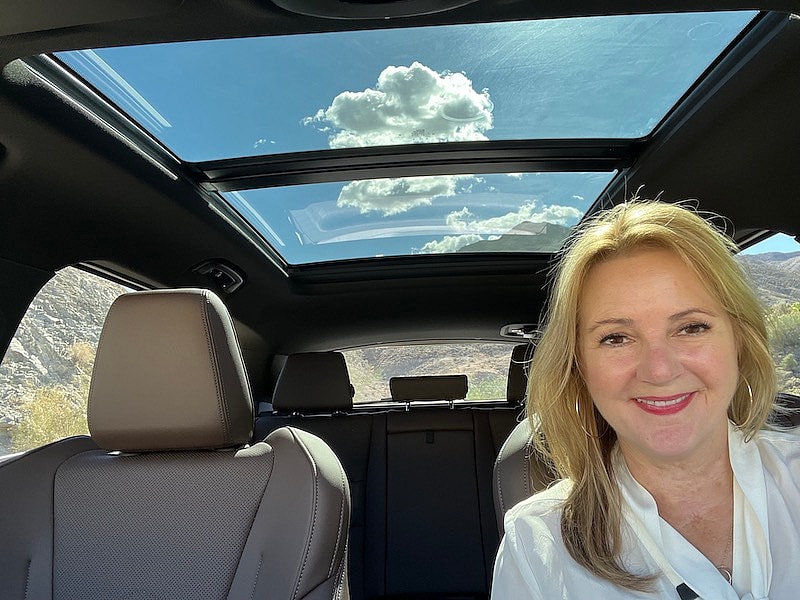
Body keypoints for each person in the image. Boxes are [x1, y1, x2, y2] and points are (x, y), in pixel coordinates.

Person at [491, 200, 800, 599]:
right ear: (579, 367)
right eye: (615, 338)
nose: (659, 370)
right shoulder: (536, 544)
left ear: (739, 341)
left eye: (691, 328)